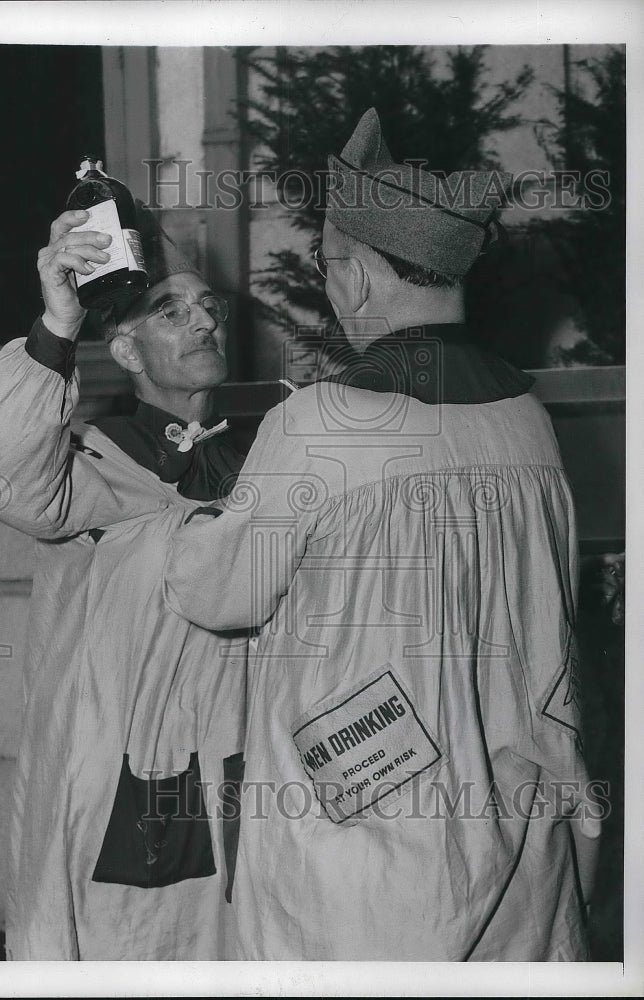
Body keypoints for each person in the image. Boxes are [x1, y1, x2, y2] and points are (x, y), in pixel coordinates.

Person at [163, 108, 600, 961]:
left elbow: (213, 593)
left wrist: (201, 506)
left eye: (330, 272)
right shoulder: (530, 423)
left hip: (363, 863)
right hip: (519, 849)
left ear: (356, 277)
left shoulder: (324, 422)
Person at [0, 201, 248, 960]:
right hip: (127, 796)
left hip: (247, 783)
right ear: (123, 350)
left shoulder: (265, 467)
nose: (202, 321)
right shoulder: (89, 465)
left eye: (208, 307)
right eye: (171, 310)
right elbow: (2, 479)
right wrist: (57, 324)